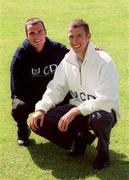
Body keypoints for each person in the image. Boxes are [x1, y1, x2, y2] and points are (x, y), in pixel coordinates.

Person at [29, 19, 120, 170]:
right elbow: (56, 88)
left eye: (79, 36)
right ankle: (81, 139)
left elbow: (107, 100)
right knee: (38, 122)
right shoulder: (67, 60)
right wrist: (41, 108)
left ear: (89, 36)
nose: (75, 41)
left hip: (103, 112)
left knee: (100, 118)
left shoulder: (104, 61)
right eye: (71, 36)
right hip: (77, 110)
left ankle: (103, 154)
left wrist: (76, 110)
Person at [10, 18, 70, 146]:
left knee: (70, 100)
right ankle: (23, 130)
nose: (37, 36)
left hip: (52, 95)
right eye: (32, 33)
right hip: (31, 96)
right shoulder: (20, 55)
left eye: (40, 31)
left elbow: (76, 54)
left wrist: (91, 50)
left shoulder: (56, 49)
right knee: (18, 106)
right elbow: (17, 89)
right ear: (27, 35)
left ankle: (69, 131)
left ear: (45, 32)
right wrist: (39, 103)